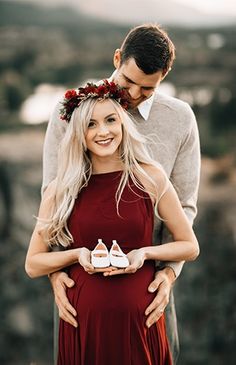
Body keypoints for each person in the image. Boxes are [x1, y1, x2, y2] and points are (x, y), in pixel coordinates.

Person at [42, 24, 201, 363]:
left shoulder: (180, 119)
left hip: (150, 294)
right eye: (127, 82)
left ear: (164, 76)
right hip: (79, 294)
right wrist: (55, 273)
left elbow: (185, 205)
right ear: (117, 58)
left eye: (148, 88)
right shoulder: (71, 112)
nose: (133, 94)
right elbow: (52, 198)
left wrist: (169, 273)